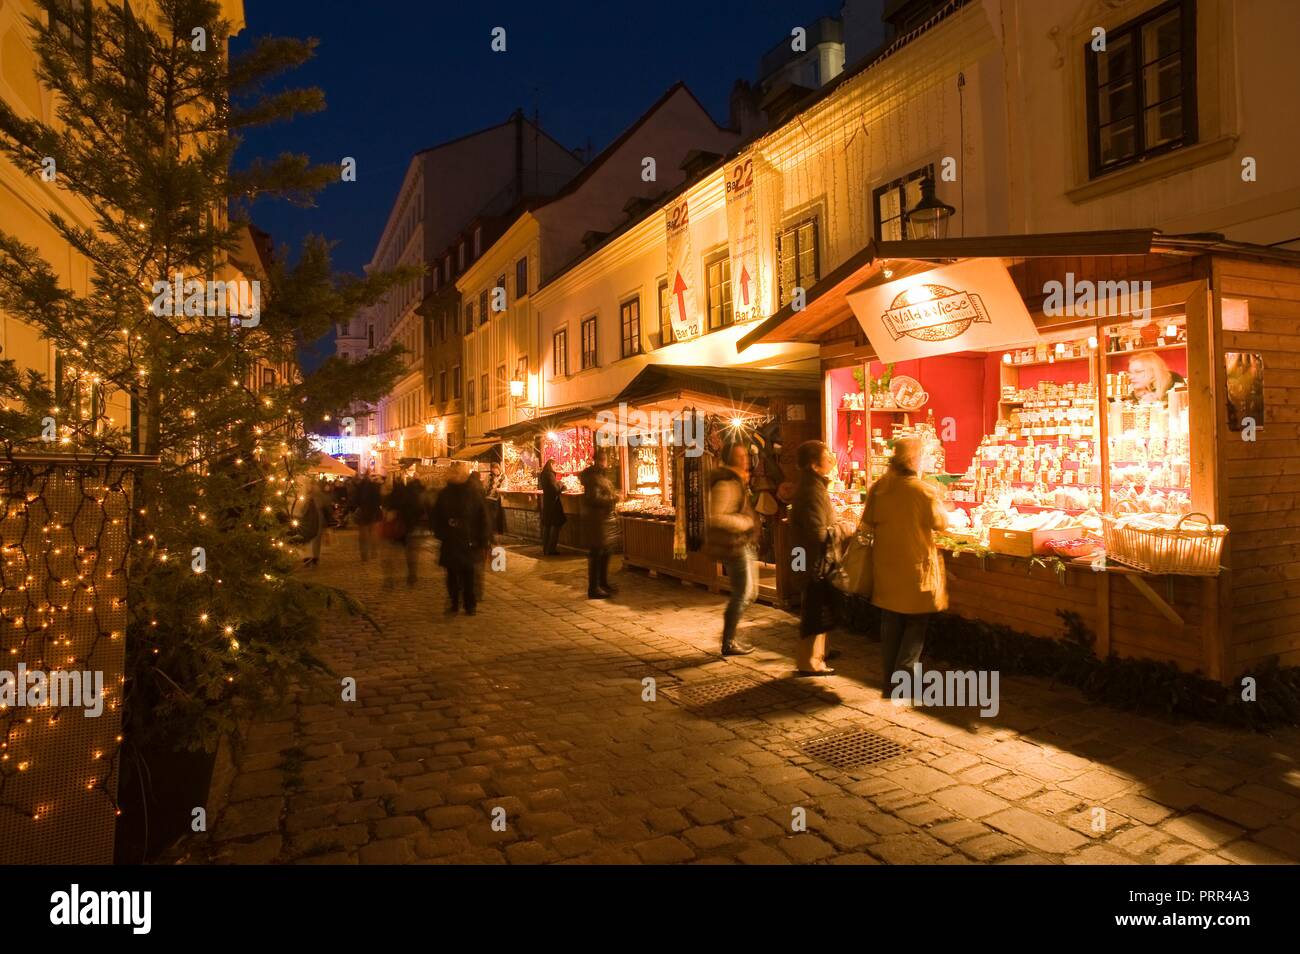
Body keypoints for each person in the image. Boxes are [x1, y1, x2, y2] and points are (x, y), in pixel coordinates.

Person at [863, 436, 949, 697]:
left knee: (891, 623)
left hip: (887, 566)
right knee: (915, 624)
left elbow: (867, 521)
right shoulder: (922, 490)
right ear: (914, 460)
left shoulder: (879, 487)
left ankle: (891, 681)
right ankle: (905, 678)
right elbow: (941, 523)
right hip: (914, 568)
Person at [789, 440, 850, 675]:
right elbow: (819, 533)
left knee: (817, 607)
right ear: (815, 465)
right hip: (814, 560)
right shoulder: (812, 490)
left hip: (809, 557)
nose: (832, 459)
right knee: (814, 608)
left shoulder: (813, 485)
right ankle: (809, 662)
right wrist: (845, 528)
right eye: (827, 455)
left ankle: (817, 655)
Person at [706, 443, 758, 656]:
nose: (745, 458)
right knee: (743, 594)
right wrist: (745, 522)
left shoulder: (738, 480)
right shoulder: (726, 483)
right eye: (740, 455)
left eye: (745, 454)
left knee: (748, 592)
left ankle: (730, 638)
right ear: (730, 459)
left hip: (741, 542)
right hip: (734, 544)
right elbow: (716, 517)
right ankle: (728, 641)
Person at [431, 461, 491, 615]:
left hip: (468, 540)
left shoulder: (473, 492)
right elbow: (436, 517)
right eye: (454, 472)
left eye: (459, 472)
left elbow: (482, 516)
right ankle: (454, 602)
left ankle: (470, 604)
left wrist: (483, 539)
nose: (457, 475)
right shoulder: (444, 494)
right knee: (451, 574)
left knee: (468, 573)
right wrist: (443, 533)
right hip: (451, 540)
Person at [579, 448, 620, 599]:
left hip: (604, 520)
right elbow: (593, 499)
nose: (605, 461)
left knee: (606, 552)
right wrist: (613, 499)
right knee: (596, 553)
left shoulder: (600, 475)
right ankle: (594, 588)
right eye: (604, 458)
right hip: (596, 521)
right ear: (599, 459)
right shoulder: (593, 478)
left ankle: (603, 583)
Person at [299, 479, 331, 567]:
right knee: (314, 540)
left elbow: (302, 510)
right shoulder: (311, 496)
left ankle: (312, 558)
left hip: (315, 521)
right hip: (312, 521)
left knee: (312, 539)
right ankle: (313, 557)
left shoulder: (311, 496)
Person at [351, 473, 383, 562]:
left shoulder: (360, 487)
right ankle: (374, 553)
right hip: (375, 512)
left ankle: (364, 555)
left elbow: (355, 500)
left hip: (363, 512)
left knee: (363, 536)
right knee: (374, 533)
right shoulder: (376, 487)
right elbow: (380, 500)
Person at [539, 459, 567, 555]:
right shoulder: (549, 474)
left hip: (547, 503)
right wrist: (561, 483)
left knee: (548, 526)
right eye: (555, 465)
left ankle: (546, 549)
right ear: (551, 464)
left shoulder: (543, 474)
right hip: (553, 504)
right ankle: (551, 549)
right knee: (556, 525)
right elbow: (555, 489)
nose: (555, 468)